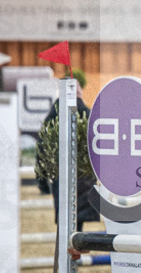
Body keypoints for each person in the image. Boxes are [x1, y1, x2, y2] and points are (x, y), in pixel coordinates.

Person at [35, 70, 100, 228]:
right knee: (78, 228)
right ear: (79, 92)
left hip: (63, 178)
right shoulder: (89, 115)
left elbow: (42, 148)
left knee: (65, 226)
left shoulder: (53, 116)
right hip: (85, 180)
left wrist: (42, 181)